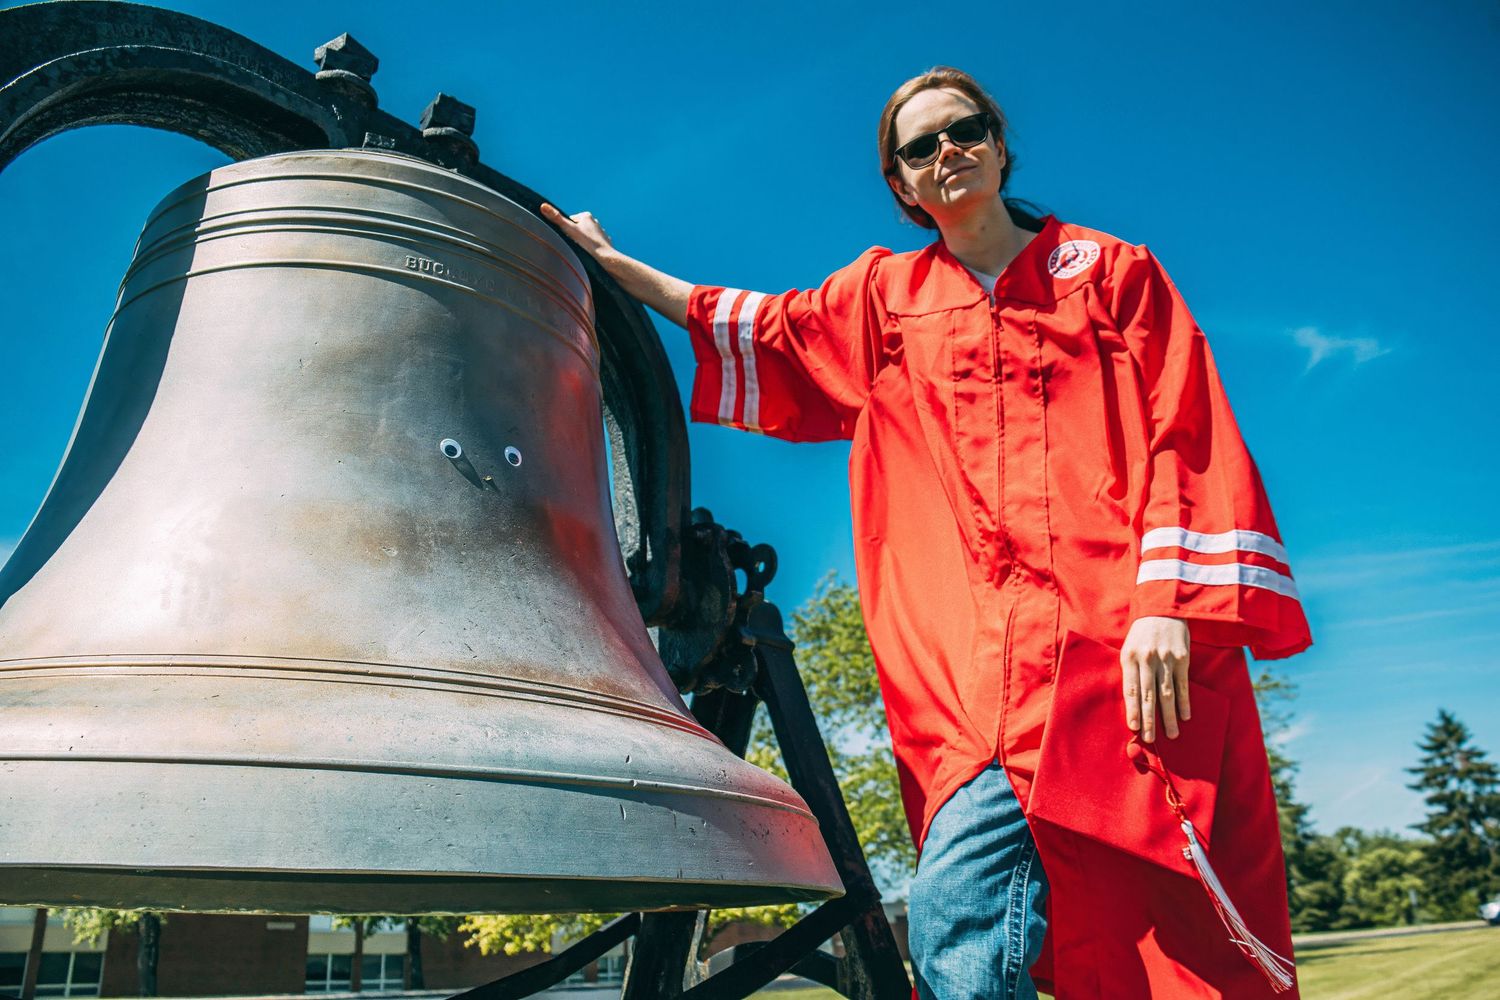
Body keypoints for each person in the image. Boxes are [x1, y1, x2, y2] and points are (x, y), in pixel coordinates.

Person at [541, 66, 1312, 1000]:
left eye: (966, 130)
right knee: (963, 917)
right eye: (921, 146)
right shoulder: (885, 298)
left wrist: (1168, 605)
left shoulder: (1109, 273)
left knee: (1138, 922)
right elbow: (763, 325)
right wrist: (620, 272)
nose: (948, 151)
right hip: (971, 673)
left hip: (1113, 655)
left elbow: (1185, 430)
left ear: (998, 142)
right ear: (903, 186)